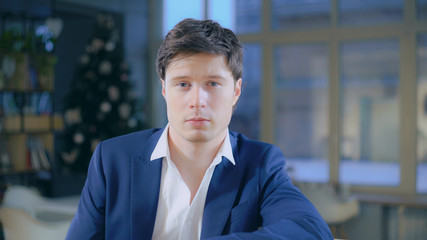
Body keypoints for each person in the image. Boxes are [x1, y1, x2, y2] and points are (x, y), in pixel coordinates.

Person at [66, 18, 333, 240]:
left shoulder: (260, 165)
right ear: (164, 89)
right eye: (183, 84)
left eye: (213, 84)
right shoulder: (113, 159)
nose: (197, 101)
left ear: (236, 91)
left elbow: (310, 231)